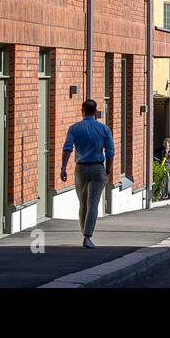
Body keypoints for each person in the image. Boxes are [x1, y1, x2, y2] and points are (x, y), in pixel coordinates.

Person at [60, 99, 115, 248]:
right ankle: (87, 236)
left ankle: (84, 233)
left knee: (83, 203)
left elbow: (67, 148)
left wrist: (63, 167)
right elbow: (110, 152)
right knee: (93, 204)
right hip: (98, 168)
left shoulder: (75, 128)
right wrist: (108, 170)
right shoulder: (104, 129)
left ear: (82, 110)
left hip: (81, 168)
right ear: (96, 111)